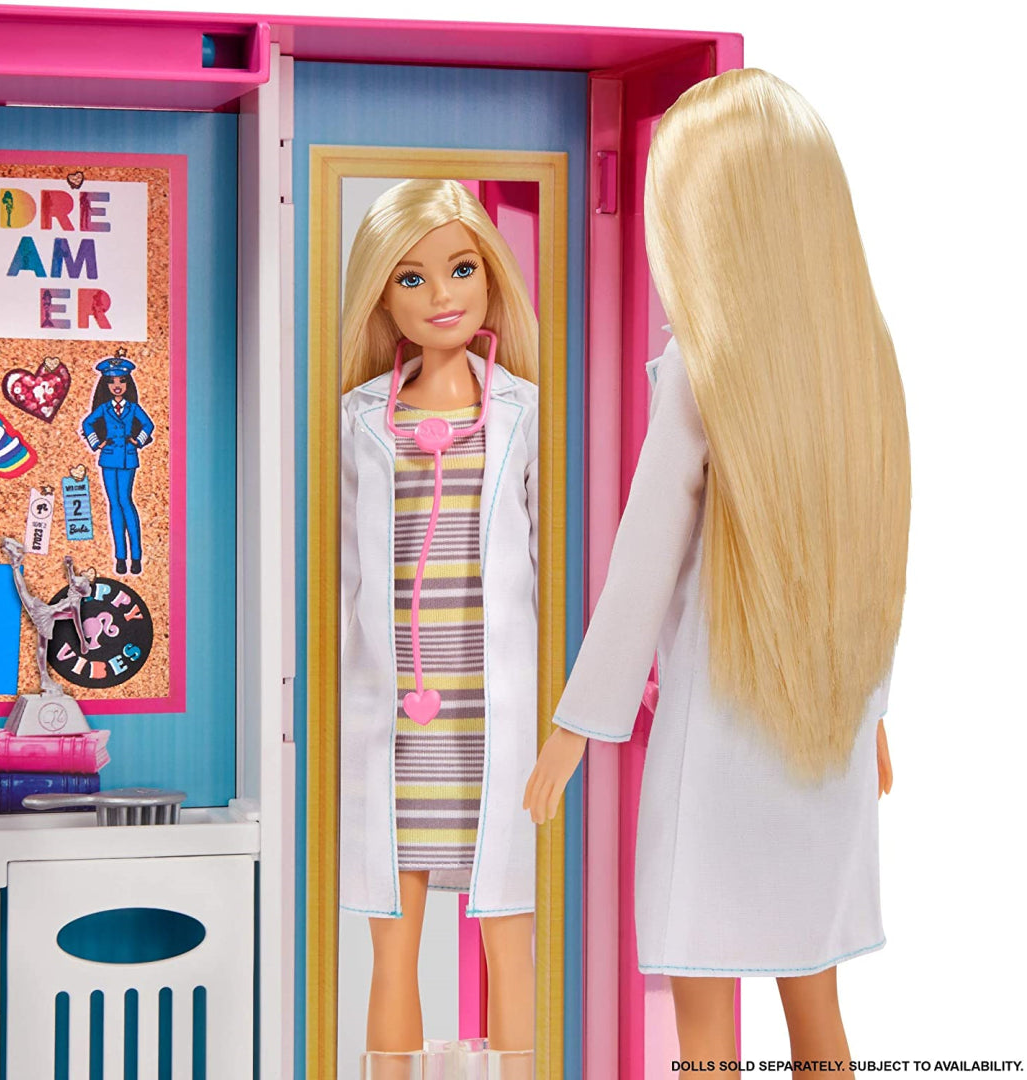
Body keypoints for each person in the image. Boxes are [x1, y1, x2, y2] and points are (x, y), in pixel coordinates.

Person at [525, 68, 910, 1070]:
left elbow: (643, 563)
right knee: (815, 1004)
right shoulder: (859, 367)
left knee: (704, 1019)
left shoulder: (703, 371)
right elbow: (870, 559)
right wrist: (869, 710)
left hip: (721, 752)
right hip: (823, 744)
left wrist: (576, 725)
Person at [340, 178, 539, 1059]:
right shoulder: (359, 420)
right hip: (396, 722)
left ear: (492, 276)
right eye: (411, 278)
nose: (441, 295)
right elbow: (343, 574)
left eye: (461, 269)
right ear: (382, 297)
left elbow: (549, 565)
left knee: (511, 946)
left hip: (494, 717)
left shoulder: (524, 413)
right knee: (394, 951)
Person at [80, 348, 154, 575]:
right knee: (114, 504)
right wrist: (97, 443)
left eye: (121, 380)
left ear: (128, 383)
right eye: (112, 382)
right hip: (109, 457)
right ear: (106, 385)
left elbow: (148, 425)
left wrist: (137, 440)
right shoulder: (104, 408)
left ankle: (136, 556)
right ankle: (120, 556)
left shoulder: (133, 408)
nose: (117, 385)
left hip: (128, 458)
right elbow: (87, 423)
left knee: (125, 501)